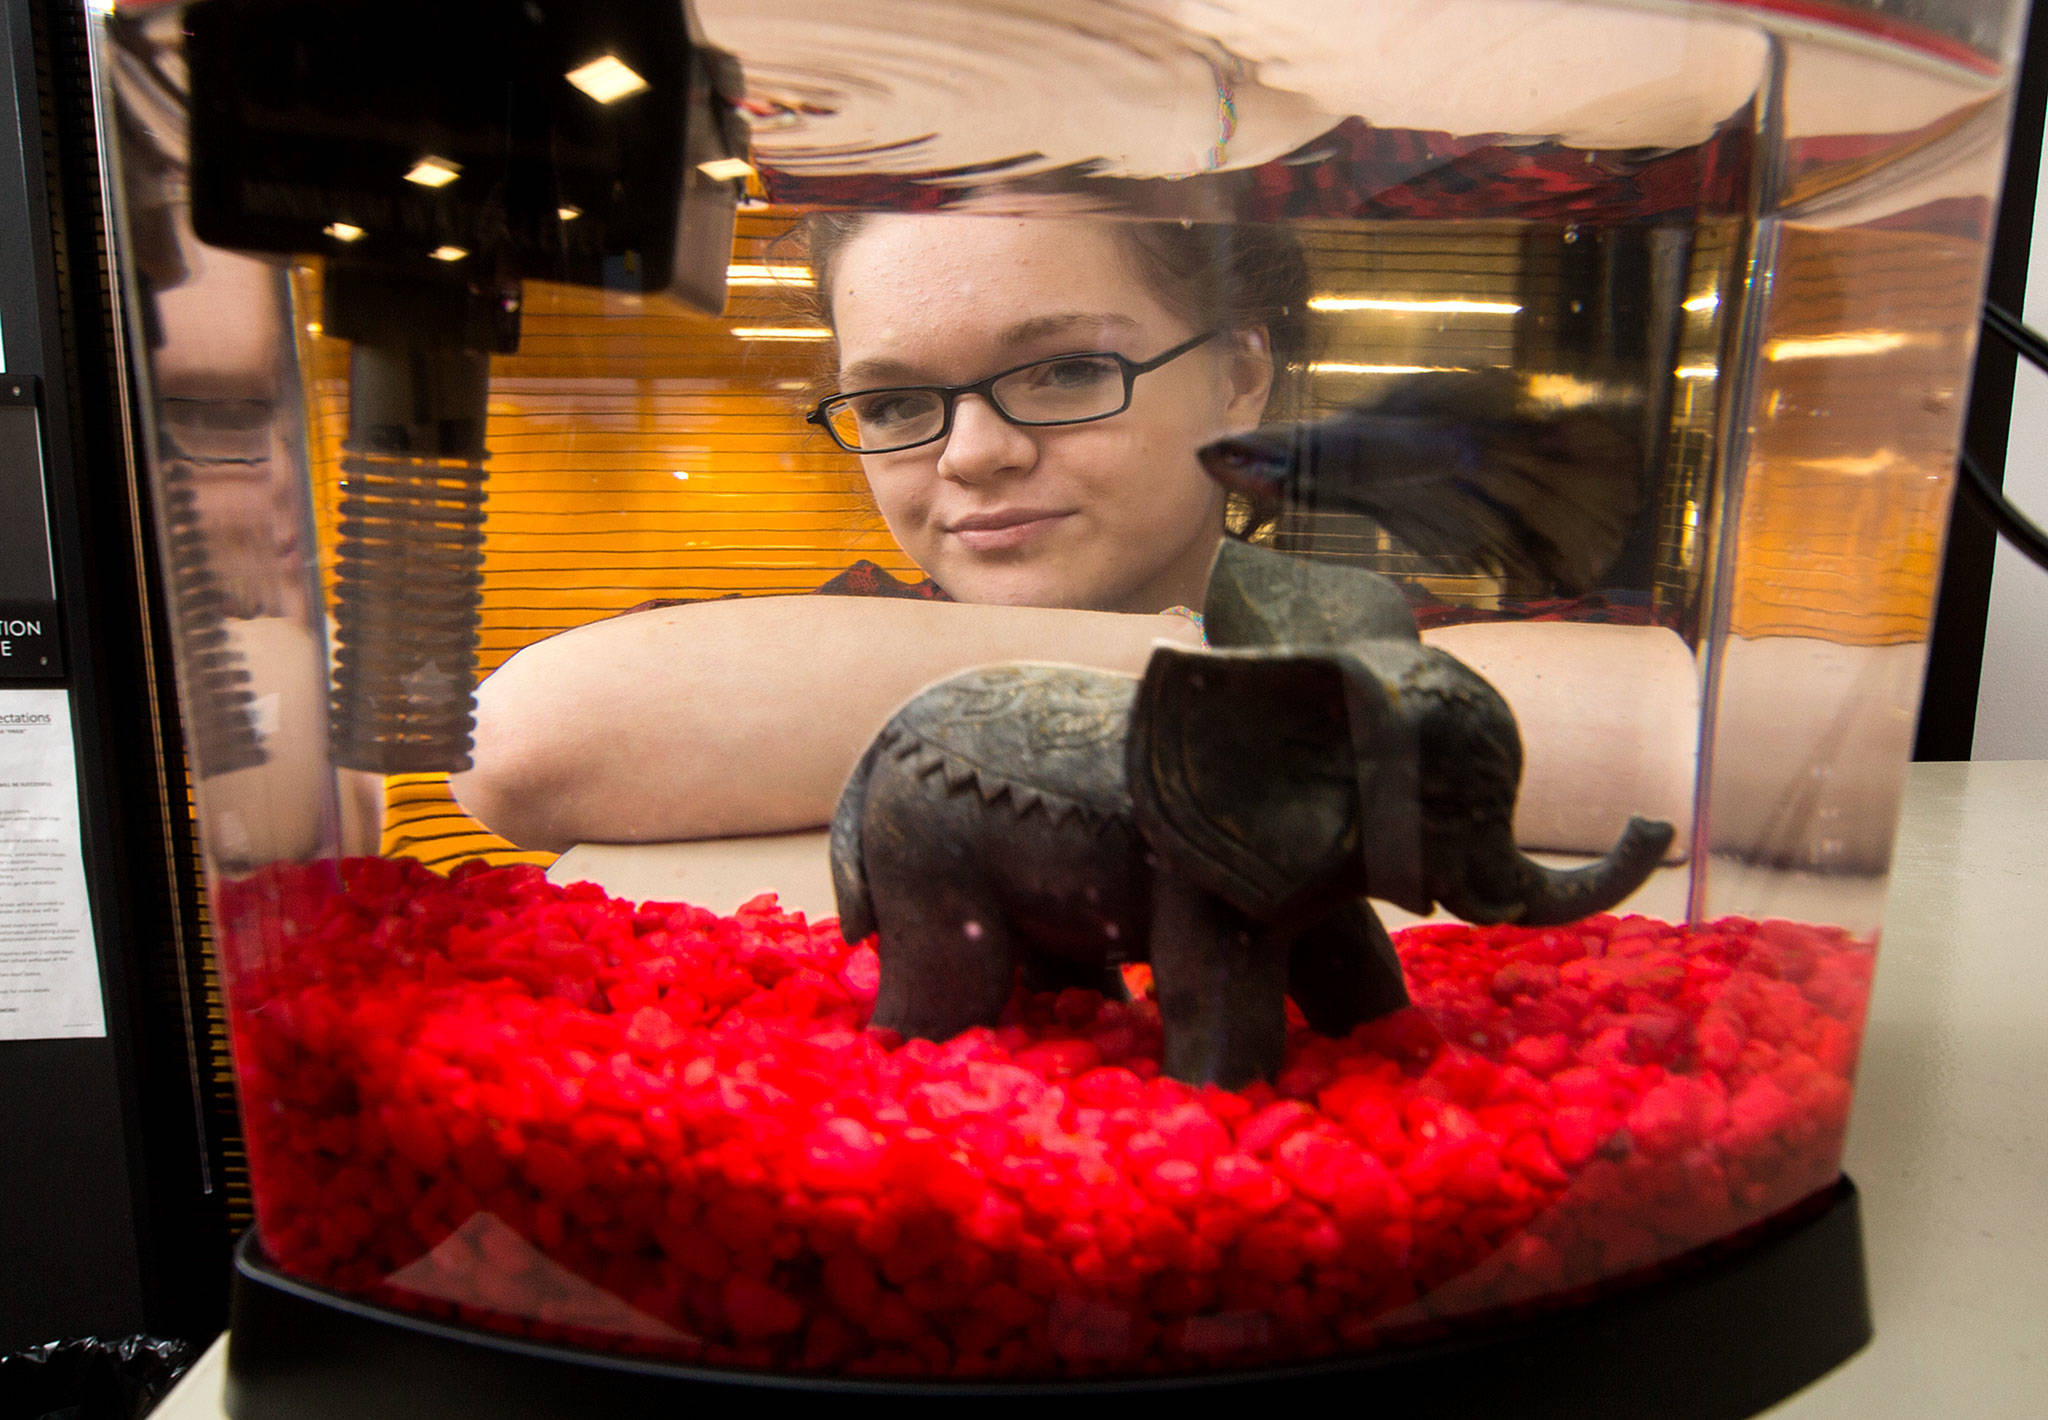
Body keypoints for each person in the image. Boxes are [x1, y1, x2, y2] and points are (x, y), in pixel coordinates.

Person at [451, 213, 1306, 851]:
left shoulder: (1405, 633)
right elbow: (515, 744)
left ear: (1238, 376)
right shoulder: (817, 646)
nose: (970, 454)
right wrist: (1222, 683)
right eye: (895, 404)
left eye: (1071, 372)